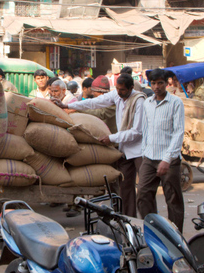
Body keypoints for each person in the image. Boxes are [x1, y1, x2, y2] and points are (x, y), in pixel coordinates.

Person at [54, 74, 145, 217]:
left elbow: (137, 132)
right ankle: (129, 220)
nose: (119, 93)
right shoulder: (117, 95)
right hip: (123, 148)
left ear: (131, 88)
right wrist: (68, 105)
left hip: (139, 150)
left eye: (122, 90)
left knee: (144, 192)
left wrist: (111, 138)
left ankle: (148, 222)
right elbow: (94, 103)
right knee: (125, 189)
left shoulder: (138, 101)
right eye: (118, 89)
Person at [137, 68, 185, 232]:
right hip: (149, 157)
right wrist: (144, 152)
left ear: (166, 84)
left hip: (169, 159)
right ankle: (153, 230)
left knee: (173, 199)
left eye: (160, 83)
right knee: (143, 194)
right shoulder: (147, 103)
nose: (156, 86)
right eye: (153, 83)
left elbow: (178, 132)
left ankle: (176, 235)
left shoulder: (175, 102)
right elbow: (146, 129)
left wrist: (167, 159)